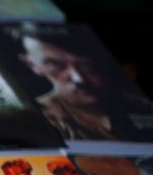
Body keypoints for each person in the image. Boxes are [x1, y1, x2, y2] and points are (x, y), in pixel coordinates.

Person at [18, 29, 153, 141]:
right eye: (56, 65)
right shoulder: (34, 117)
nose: (79, 79)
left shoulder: (142, 106)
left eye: (86, 65)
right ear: (31, 64)